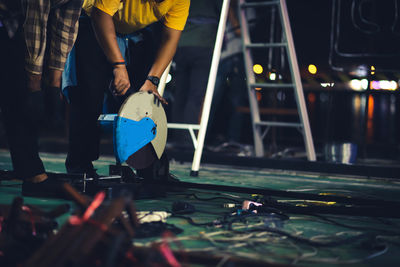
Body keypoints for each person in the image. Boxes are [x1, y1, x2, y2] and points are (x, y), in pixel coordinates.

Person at [64, 0, 190, 175]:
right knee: (88, 98)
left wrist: (152, 80)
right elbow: (101, 15)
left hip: (133, 33)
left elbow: (171, 38)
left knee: (142, 100)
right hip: (94, 23)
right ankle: (79, 166)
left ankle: (148, 167)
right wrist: (118, 66)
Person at [0, 0, 82, 197]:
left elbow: (66, 25)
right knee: (19, 90)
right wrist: (34, 86)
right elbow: (36, 20)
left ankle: (26, 169)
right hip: (11, 17)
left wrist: (54, 85)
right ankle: (33, 175)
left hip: (14, 18)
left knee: (16, 90)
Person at [169, 0, 222, 147]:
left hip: (182, 44)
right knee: (195, 95)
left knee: (180, 94)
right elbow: (226, 10)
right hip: (202, 45)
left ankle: (178, 138)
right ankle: (188, 140)